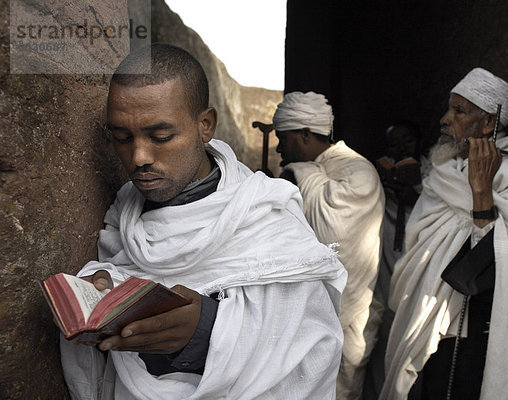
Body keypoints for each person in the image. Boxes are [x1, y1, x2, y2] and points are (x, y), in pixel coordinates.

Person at [58, 43, 347, 400]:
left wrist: (207, 331)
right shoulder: (123, 211)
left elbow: (313, 349)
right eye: (121, 138)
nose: (139, 157)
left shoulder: (266, 217)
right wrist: (103, 286)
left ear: (205, 125)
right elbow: (122, 268)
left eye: (161, 137)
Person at [380, 68, 508, 400]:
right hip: (426, 320)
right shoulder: (443, 175)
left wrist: (481, 195)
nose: (444, 120)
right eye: (449, 109)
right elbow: (420, 244)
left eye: (458, 111)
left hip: (479, 329)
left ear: (489, 123)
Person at [272, 91, 385, 400]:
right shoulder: (311, 172)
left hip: (349, 317)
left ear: (306, 134)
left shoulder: (357, 171)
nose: (280, 148)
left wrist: (300, 175)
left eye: (284, 138)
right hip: (302, 316)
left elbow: (336, 234)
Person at [364, 121, 423, 399]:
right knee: (383, 338)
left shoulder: (435, 179)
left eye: (407, 141)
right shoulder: (377, 181)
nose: (400, 149)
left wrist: (415, 195)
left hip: (416, 272)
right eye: (393, 144)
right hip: (384, 268)